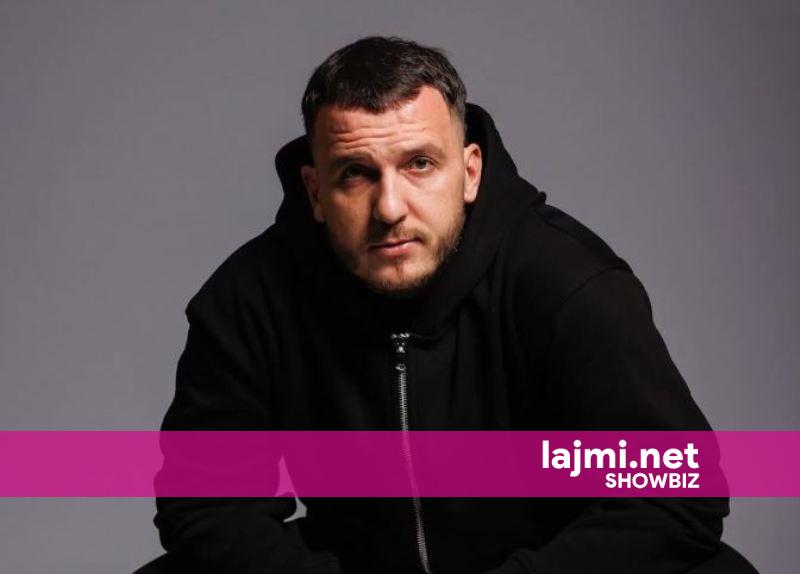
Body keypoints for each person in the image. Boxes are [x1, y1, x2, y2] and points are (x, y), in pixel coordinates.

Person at [150, 36, 748, 574]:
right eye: (355, 174)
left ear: (469, 171)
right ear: (315, 191)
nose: (390, 208)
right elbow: (205, 505)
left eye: (419, 164)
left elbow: (675, 494)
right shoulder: (250, 300)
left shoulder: (564, 282)